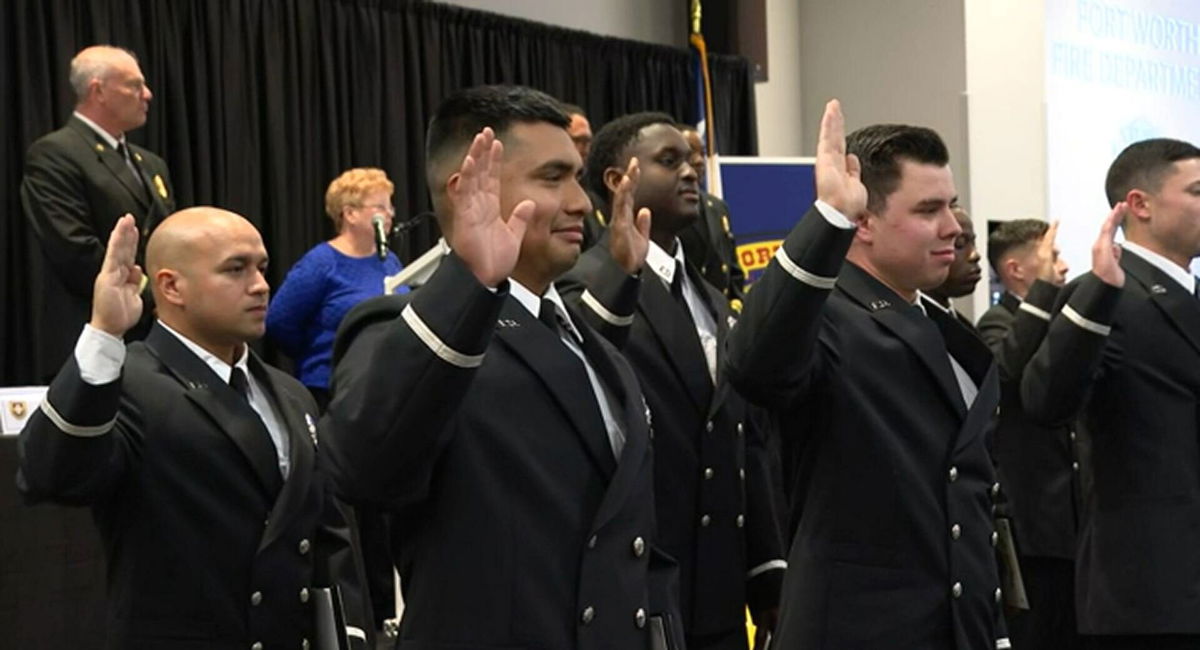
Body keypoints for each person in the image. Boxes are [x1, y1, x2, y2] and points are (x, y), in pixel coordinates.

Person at [323, 85, 683, 649]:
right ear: (470, 190)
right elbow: (363, 468)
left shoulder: (589, 345)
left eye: (577, 177)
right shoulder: (402, 329)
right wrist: (469, 280)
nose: (580, 203)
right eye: (551, 177)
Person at [16, 208, 370, 649]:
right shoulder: (126, 383)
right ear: (171, 286)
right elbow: (51, 474)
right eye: (235, 269)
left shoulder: (290, 392)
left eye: (261, 267)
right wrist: (104, 333)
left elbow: (328, 538)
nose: (261, 285)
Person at [727, 100, 1008, 649]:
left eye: (951, 206)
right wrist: (826, 218)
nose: (953, 227)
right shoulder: (822, 316)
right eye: (928, 210)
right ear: (863, 223)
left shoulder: (944, 327)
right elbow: (755, 365)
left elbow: (967, 502)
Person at [561, 112, 786, 650]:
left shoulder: (712, 299)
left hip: (722, 589)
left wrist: (768, 570)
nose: (691, 171)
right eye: (669, 161)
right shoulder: (584, 288)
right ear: (619, 181)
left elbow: (743, 438)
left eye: (692, 161)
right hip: (642, 585)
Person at [1021, 138, 1200, 650]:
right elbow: (1044, 400)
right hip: (1150, 592)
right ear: (1140, 205)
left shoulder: (1186, 294)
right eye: (1197, 190)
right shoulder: (1104, 293)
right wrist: (1099, 290)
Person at [21, 45, 176, 382]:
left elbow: (168, 239)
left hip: (156, 335)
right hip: (96, 331)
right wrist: (156, 295)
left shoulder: (150, 163)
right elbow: (75, 250)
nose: (147, 94)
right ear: (98, 90)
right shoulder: (56, 155)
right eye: (134, 85)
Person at [976, 219, 1080, 650]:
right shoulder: (996, 322)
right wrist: (1042, 295)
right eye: (1052, 256)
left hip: (1072, 522)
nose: (1065, 265)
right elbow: (1005, 370)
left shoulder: (1059, 320)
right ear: (1017, 270)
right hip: (1032, 524)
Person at [266, 167, 405, 411]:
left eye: (390, 206)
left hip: (385, 385)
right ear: (350, 214)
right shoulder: (320, 263)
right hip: (331, 390)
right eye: (381, 207)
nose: (390, 214)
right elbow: (279, 322)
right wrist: (322, 352)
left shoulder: (389, 261)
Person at [677, 125, 746, 306]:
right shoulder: (668, 207)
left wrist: (736, 306)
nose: (699, 160)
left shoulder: (717, 207)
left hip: (722, 313)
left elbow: (732, 269)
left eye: (702, 152)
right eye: (691, 153)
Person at [926, 206, 983, 323]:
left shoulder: (963, 325)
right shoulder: (906, 328)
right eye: (960, 243)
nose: (975, 255)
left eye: (973, 243)